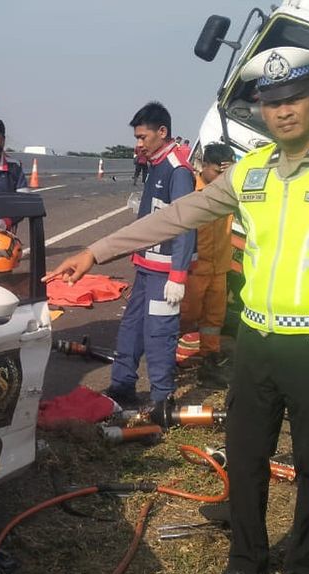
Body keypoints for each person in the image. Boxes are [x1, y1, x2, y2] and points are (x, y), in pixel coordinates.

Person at [42, 47, 309, 574]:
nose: (283, 112)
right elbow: (177, 215)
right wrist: (96, 250)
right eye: (271, 103)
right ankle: (247, 561)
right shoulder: (253, 170)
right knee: (245, 456)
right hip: (257, 346)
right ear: (262, 111)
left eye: (293, 100)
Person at [103, 101, 196, 410]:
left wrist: (178, 276)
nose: (138, 144)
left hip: (165, 273)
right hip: (146, 267)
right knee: (130, 329)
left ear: (162, 132)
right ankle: (122, 386)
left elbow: (186, 223)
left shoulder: (177, 170)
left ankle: (160, 400)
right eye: (137, 137)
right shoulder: (156, 163)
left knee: (159, 335)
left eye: (143, 137)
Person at [175, 142, 236, 386]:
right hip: (195, 268)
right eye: (216, 172)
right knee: (186, 314)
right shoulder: (188, 189)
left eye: (225, 173)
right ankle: (168, 356)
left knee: (214, 318)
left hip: (219, 267)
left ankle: (210, 359)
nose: (220, 178)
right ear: (204, 166)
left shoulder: (231, 190)